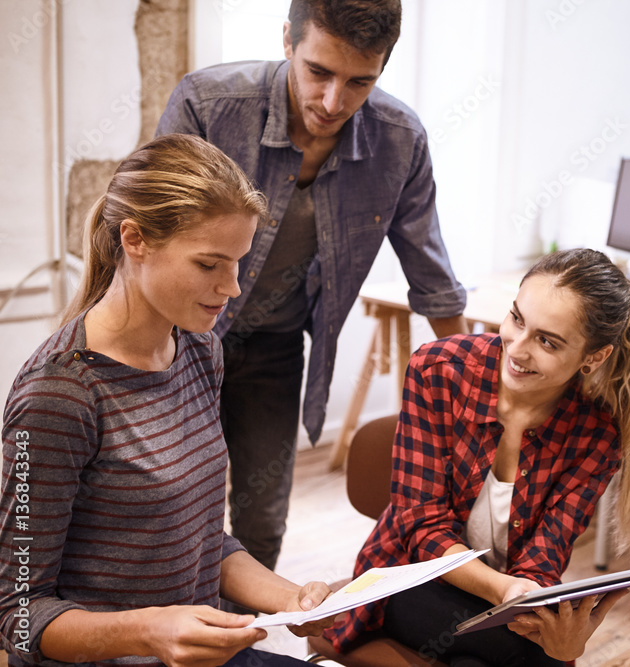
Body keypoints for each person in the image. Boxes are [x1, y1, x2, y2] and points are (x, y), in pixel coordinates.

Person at [0, 134, 339, 667]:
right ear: (135, 239)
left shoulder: (199, 348)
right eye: (209, 265)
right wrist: (150, 631)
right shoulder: (60, 393)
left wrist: (290, 598)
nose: (231, 288)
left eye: (238, 264)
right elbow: (17, 616)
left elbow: (201, 538)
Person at [155, 0, 468, 572]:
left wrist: (478, 400)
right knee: (167, 513)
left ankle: (238, 645)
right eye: (318, 72)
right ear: (286, 41)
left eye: (359, 82)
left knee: (263, 518)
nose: (334, 102)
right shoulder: (209, 104)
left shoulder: (399, 141)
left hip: (275, 348)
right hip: (174, 344)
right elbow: (147, 238)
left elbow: (433, 279)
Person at [310, 248, 630, 666]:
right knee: (529, 653)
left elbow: (545, 556)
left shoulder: (598, 433)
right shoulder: (438, 370)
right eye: (517, 319)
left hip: (503, 603)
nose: (517, 348)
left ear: (593, 357)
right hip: (408, 578)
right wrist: (538, 625)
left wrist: (530, 604)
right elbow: (422, 529)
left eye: (547, 341)